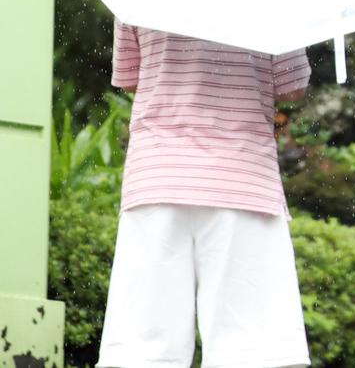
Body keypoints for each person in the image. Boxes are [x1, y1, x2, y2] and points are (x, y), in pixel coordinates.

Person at [97, 23, 312, 368]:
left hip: (157, 177)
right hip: (241, 180)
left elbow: (130, 77)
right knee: (252, 354)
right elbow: (292, 87)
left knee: (143, 352)